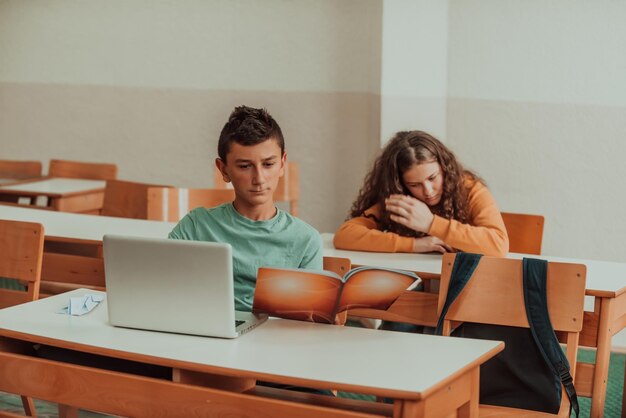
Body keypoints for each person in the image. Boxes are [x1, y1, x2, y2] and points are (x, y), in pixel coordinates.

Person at [169, 105, 323, 312]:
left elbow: (310, 316)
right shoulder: (196, 226)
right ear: (223, 169)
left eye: (268, 164)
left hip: (274, 339)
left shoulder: (306, 240)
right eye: (244, 166)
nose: (259, 179)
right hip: (205, 335)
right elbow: (165, 288)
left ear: (282, 164)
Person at [334, 130, 508, 257]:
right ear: (401, 185)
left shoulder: (470, 190)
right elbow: (345, 235)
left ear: (444, 168)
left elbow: (498, 245)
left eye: (432, 178)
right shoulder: (400, 200)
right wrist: (413, 245)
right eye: (414, 184)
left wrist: (431, 223)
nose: (428, 191)